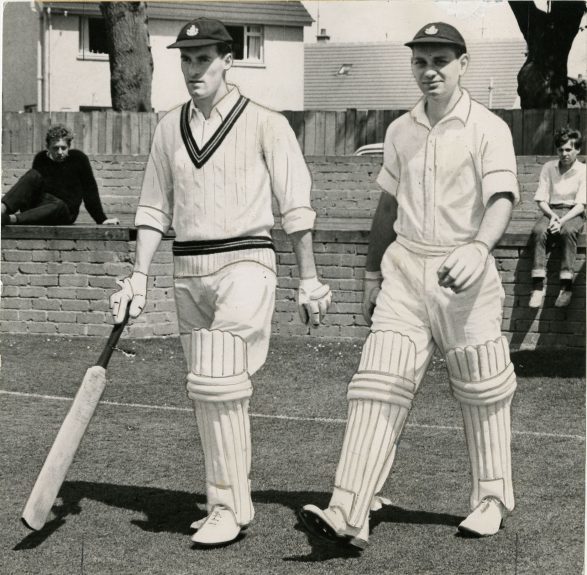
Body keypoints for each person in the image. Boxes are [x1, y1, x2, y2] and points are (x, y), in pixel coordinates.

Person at [108, 17, 331, 548]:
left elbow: (295, 206)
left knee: (218, 379)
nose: (193, 69)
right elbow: (152, 208)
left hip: (246, 262)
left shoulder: (266, 123)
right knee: (209, 393)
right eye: (186, 59)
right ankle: (227, 498)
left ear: (229, 60)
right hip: (188, 269)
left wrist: (309, 278)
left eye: (203, 58)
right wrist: (138, 276)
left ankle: (227, 508)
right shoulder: (168, 127)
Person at [299, 22, 519, 549]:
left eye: (441, 60)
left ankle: (490, 501)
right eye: (421, 62)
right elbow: (388, 207)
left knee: (483, 389)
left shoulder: (489, 128)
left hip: (464, 273)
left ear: (463, 64)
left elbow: (503, 198)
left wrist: (478, 248)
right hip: (405, 271)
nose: (430, 71)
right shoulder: (400, 130)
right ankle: (349, 510)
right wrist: (372, 274)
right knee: (378, 384)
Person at [1, 124, 119, 227]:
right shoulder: (41, 158)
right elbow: (32, 188)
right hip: (39, 207)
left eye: (63, 148)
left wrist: (102, 219)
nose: (60, 152)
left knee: (58, 204)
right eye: (55, 148)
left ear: (69, 147)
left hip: (63, 211)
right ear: (48, 148)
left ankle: (10, 219)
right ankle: (2, 209)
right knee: (33, 175)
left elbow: (90, 192)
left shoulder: (79, 159)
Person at [529, 128, 586, 308]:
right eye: (560, 149)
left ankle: (566, 288)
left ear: (577, 150)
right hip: (552, 210)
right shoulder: (549, 167)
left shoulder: (583, 170)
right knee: (538, 231)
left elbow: (581, 205)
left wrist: (561, 222)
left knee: (568, 231)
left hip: (573, 211)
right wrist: (553, 216)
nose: (564, 154)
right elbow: (541, 199)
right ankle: (538, 287)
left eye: (569, 150)